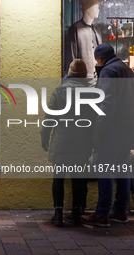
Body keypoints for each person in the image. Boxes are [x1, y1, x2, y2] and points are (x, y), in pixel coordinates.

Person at [81, 44, 134, 227]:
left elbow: (106, 105)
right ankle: (120, 211)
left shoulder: (108, 71)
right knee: (123, 171)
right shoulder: (127, 70)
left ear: (100, 58)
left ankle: (102, 214)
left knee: (104, 171)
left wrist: (97, 133)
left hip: (112, 132)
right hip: (127, 131)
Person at [41, 59, 95, 226]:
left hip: (61, 141)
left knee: (58, 179)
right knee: (79, 180)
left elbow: (49, 118)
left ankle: (58, 214)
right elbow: (94, 121)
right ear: (85, 75)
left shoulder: (59, 91)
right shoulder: (91, 93)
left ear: (70, 73)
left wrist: (44, 136)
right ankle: (77, 213)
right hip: (82, 143)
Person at [66, 0, 102, 80]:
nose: (98, 10)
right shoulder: (75, 29)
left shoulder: (97, 31)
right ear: (88, 8)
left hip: (97, 78)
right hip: (82, 79)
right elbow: (71, 56)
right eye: (96, 7)